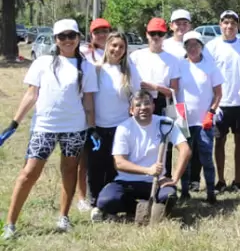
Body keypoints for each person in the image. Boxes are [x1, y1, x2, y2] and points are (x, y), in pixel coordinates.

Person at [1, 19, 98, 239]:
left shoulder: (87, 67)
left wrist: (91, 129)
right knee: (28, 173)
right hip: (44, 127)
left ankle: (63, 217)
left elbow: (89, 101)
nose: (67, 40)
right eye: (62, 36)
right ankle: (10, 224)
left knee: (69, 170)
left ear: (78, 38)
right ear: (55, 40)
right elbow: (31, 95)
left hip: (74, 128)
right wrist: (14, 123)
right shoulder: (42, 63)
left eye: (71, 36)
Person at [95, 91, 191, 220]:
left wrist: (174, 178)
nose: (143, 108)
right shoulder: (124, 128)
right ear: (131, 110)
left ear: (153, 106)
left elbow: (185, 150)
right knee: (106, 201)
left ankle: (149, 208)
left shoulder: (165, 123)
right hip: (127, 181)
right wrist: (148, 170)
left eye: (147, 103)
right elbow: (119, 163)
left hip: (157, 182)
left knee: (168, 197)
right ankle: (140, 208)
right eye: (138, 105)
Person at [88, 32, 141, 222]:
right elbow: (90, 100)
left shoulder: (129, 71)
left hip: (121, 128)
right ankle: (95, 204)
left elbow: (136, 98)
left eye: (121, 46)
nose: (117, 50)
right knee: (96, 168)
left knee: (115, 169)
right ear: (107, 46)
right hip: (99, 128)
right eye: (114, 45)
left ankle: (110, 205)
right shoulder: (96, 70)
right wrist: (92, 125)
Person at [205, 10, 240, 193]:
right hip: (220, 104)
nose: (229, 26)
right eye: (225, 23)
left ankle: (237, 180)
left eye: (233, 23)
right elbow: (208, 75)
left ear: (237, 26)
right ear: (220, 25)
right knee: (219, 142)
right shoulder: (211, 47)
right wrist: (212, 103)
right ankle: (220, 180)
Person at [177, 31, 223, 204]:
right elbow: (174, 90)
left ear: (201, 47)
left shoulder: (210, 66)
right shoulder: (180, 65)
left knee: (206, 156)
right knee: (185, 156)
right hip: (184, 120)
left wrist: (211, 113)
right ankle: (184, 191)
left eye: (196, 45)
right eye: (189, 45)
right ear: (185, 47)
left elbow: (218, 93)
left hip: (204, 120)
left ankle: (210, 191)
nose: (192, 48)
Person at [75, 17, 112, 212]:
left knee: (104, 157)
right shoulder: (84, 53)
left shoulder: (115, 50)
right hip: (86, 109)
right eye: (97, 32)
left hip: (107, 111)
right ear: (91, 34)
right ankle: (82, 197)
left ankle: (104, 192)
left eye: (105, 31)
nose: (102, 35)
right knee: (84, 157)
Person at [130, 17, 181, 117]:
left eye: (160, 34)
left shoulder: (172, 60)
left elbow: (174, 91)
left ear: (164, 36)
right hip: (139, 102)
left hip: (161, 104)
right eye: (152, 33)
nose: (156, 37)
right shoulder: (135, 56)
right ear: (147, 34)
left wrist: (155, 87)